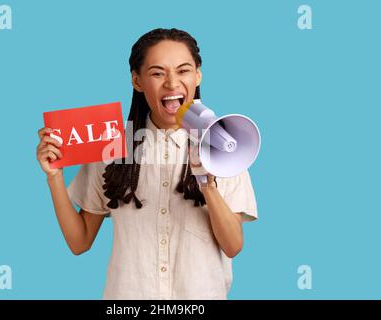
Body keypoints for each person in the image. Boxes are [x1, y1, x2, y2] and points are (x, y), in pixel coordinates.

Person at [36, 28, 258, 300]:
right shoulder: (111, 148)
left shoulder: (226, 146)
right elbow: (79, 242)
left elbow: (233, 246)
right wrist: (54, 177)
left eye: (183, 70)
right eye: (157, 73)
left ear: (198, 75)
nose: (172, 83)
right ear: (137, 81)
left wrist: (207, 183)